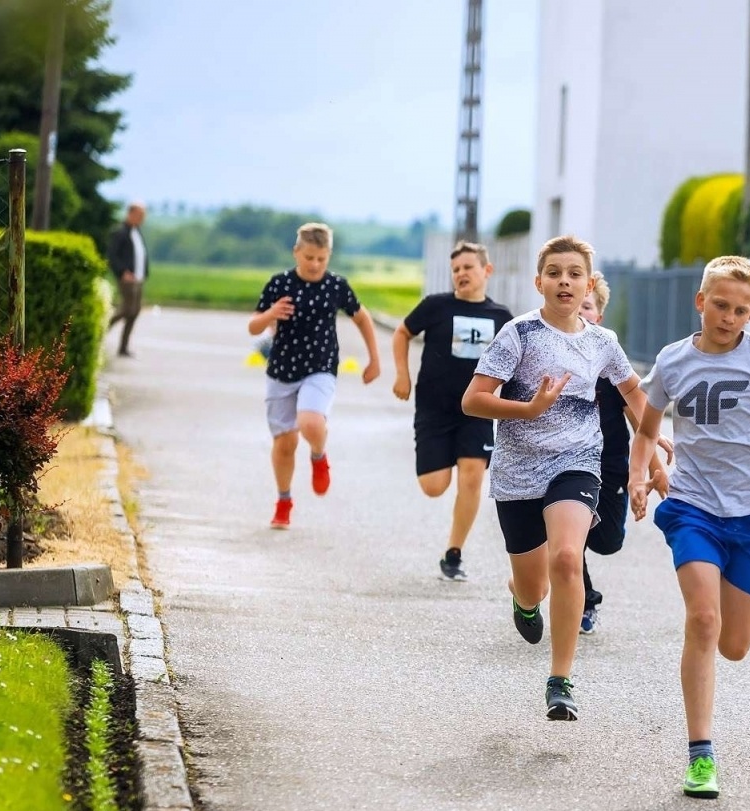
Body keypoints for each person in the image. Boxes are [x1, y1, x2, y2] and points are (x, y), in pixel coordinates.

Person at [628, 255, 750, 799]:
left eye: (741, 310)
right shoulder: (672, 361)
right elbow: (647, 429)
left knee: (734, 645)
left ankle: (704, 739)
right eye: (720, 305)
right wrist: (639, 474)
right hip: (693, 507)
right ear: (700, 301)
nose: (728, 317)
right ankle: (701, 756)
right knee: (704, 620)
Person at [462, 236, 648, 720]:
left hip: (577, 463)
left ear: (588, 284)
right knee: (534, 587)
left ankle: (560, 680)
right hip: (518, 470)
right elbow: (474, 400)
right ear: (538, 281)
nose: (565, 281)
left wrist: (654, 450)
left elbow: (635, 395)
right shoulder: (519, 334)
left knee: (567, 558)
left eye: (574, 274)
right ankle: (523, 602)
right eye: (555, 273)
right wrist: (529, 408)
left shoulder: (603, 342)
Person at [246, 223, 380, 529]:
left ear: (328, 255)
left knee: (310, 422)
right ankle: (284, 501)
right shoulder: (279, 283)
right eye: (309, 257)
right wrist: (270, 315)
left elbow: (362, 317)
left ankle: (319, 456)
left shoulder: (336, 286)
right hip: (281, 371)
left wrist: (374, 358)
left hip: (320, 367)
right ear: (297, 252)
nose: (315, 264)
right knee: (285, 444)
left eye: (321, 258)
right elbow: (253, 327)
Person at [392, 241, 513, 580]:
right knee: (434, 486)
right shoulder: (436, 306)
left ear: (486, 271)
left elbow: (519, 362)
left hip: (477, 411)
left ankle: (454, 553)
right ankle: (439, 471)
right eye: (456, 269)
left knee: (473, 474)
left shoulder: (502, 318)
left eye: (468, 267)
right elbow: (402, 332)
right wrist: (402, 373)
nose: (461, 274)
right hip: (434, 409)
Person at [576, 271, 671, 632]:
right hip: (567, 466)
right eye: (578, 306)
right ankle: (583, 598)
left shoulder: (610, 362)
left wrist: (655, 471)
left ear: (599, 315)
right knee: (570, 535)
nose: (582, 313)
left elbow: (640, 423)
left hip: (610, 467)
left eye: (589, 306)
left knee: (608, 542)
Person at [106, 202, 149, 358]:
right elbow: (112, 255)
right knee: (126, 309)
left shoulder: (136, 232)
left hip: (138, 278)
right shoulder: (121, 232)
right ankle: (101, 330)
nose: (143, 218)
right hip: (127, 279)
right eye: (140, 215)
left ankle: (123, 347)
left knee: (134, 312)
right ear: (131, 213)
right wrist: (122, 271)